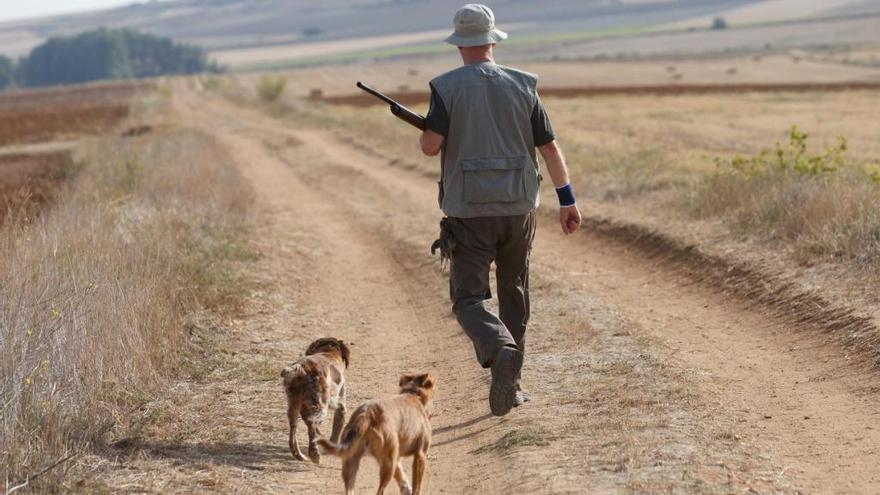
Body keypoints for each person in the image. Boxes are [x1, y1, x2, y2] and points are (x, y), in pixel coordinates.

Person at [419, 3, 582, 417]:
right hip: (518, 207)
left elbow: (429, 147)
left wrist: (433, 125)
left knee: (468, 299)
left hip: (469, 211)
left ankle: (499, 349)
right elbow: (549, 148)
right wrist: (568, 200)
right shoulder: (524, 85)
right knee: (515, 292)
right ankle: (514, 384)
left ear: (459, 45)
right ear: (492, 40)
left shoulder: (445, 87)